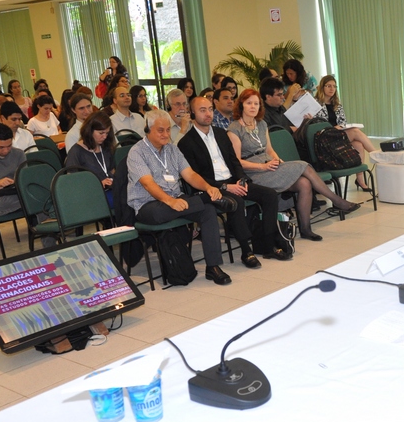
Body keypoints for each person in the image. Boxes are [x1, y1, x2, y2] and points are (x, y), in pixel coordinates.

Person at [226, 89, 359, 242]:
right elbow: (237, 162)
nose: (253, 107)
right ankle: (337, 201)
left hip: (269, 165)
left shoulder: (261, 124)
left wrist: (280, 163)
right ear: (241, 105)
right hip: (253, 173)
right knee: (305, 166)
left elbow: (269, 150)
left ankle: (306, 229)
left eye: (256, 103)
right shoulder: (234, 129)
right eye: (249, 103)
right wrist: (262, 167)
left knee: (304, 183)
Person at [179, 96, 291, 266]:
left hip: (232, 180)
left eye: (210, 109)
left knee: (268, 194)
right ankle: (246, 251)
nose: (208, 113)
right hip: (211, 187)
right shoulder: (186, 143)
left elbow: (234, 161)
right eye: (202, 110)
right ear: (192, 112)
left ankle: (269, 244)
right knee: (236, 201)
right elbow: (195, 177)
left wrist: (241, 179)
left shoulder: (220, 133)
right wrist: (226, 187)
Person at [127, 110, 235, 286]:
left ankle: (213, 267)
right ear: (147, 130)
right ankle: (204, 199)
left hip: (178, 199)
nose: (166, 134)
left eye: (168, 130)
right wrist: (170, 201)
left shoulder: (172, 149)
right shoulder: (137, 152)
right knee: (161, 213)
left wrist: (208, 187)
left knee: (207, 212)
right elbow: (148, 184)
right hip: (149, 204)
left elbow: (190, 174)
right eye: (160, 130)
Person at [313, 75, 376, 191]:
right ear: (322, 87)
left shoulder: (337, 104)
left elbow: (343, 122)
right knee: (355, 131)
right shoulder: (315, 104)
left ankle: (360, 180)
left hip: (337, 135)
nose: (332, 89)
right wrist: (333, 128)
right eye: (328, 86)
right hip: (325, 138)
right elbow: (316, 126)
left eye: (334, 86)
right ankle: (376, 154)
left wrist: (340, 127)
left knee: (358, 145)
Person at [65, 111, 116, 206]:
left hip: (111, 189)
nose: (105, 137)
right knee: (124, 200)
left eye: (107, 133)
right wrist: (98, 183)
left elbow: (112, 170)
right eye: (101, 133)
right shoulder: (76, 151)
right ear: (89, 130)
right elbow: (73, 182)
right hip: (91, 194)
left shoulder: (106, 147)